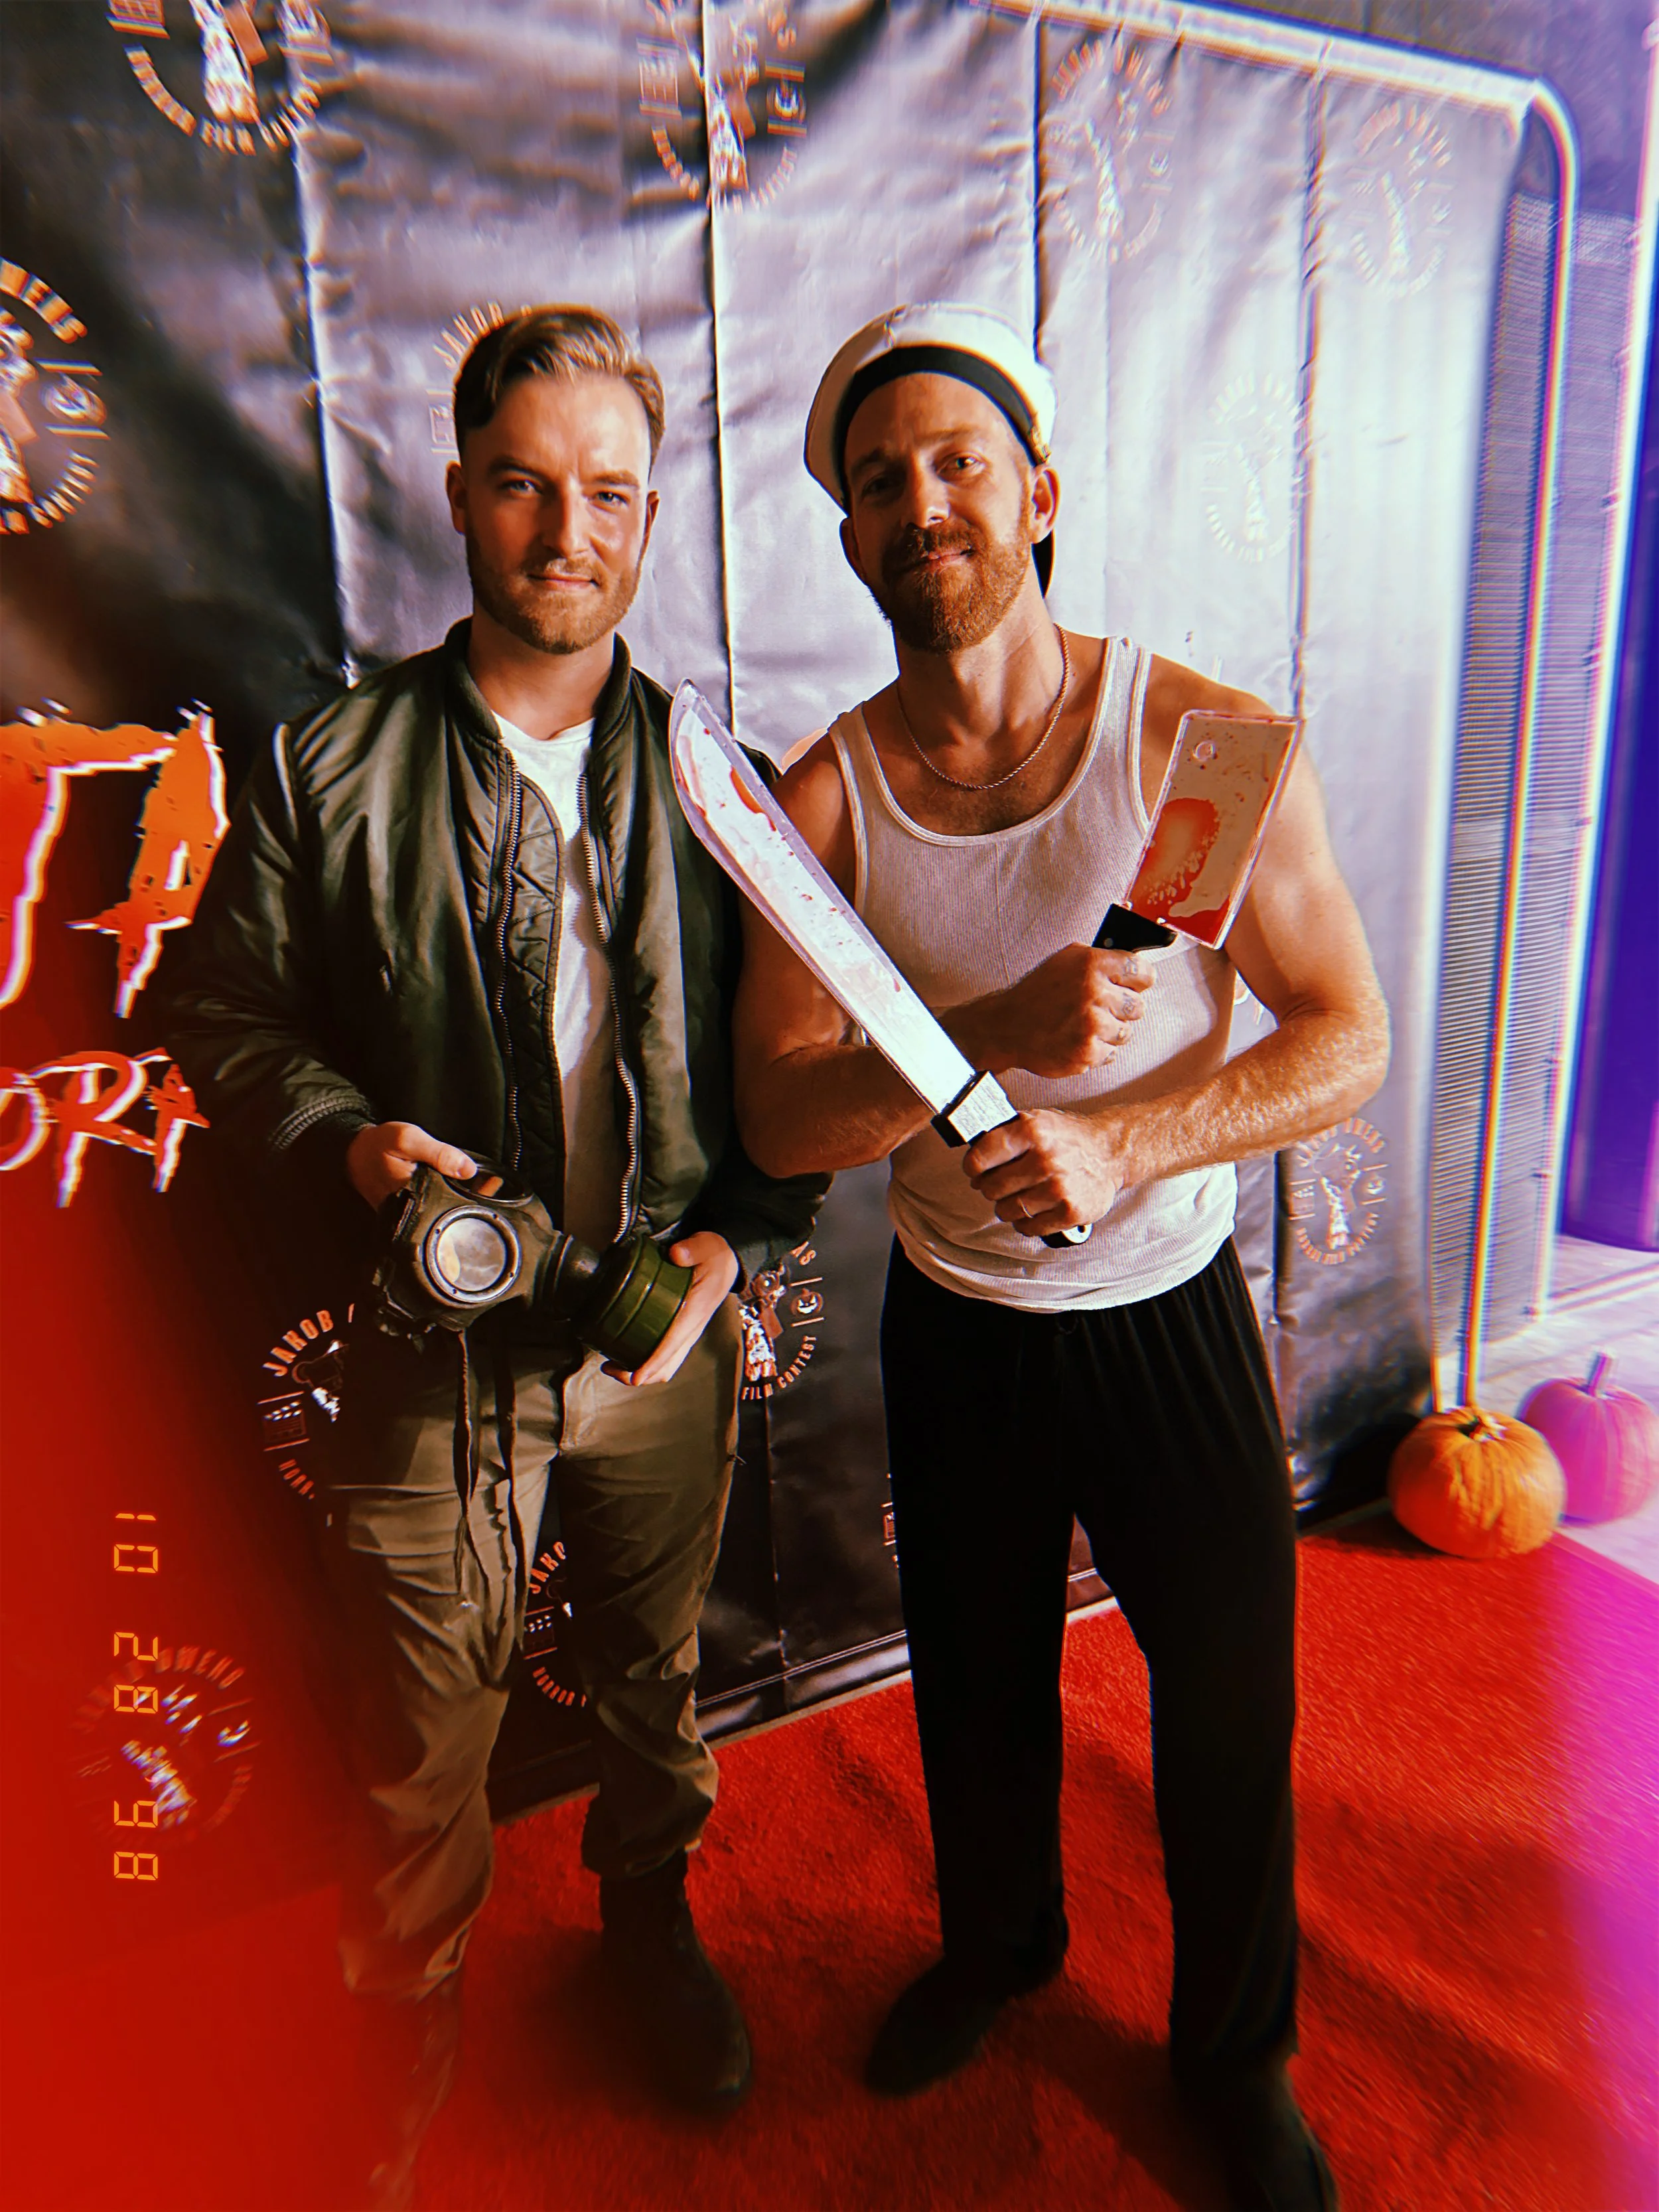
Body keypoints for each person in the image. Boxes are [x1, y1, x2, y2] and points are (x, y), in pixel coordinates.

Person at [732, 303, 1390, 2212]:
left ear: (1037, 494)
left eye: (956, 463)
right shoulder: (822, 805)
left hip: (1165, 1307)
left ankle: (1232, 2053)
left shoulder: (1193, 743)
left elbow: (1336, 1033)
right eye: (879, 481)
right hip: (957, 1327)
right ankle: (1003, 1942)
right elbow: (778, 1117)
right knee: (976, 1682)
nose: (921, 501)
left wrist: (1121, 1136)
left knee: (1226, 1706)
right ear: (850, 539)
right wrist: (989, 1036)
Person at [165, 305, 824, 2207]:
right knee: (408, 1731)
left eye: (608, 492)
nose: (567, 531)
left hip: (658, 1335)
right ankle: (406, 2003)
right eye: (526, 486)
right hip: (422, 1330)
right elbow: (223, 1014)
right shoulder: (322, 763)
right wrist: (347, 1139)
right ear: (459, 492)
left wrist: (732, 1241)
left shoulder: (725, 780)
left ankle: (647, 1925)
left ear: (649, 511)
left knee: (648, 1669)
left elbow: (796, 1069)